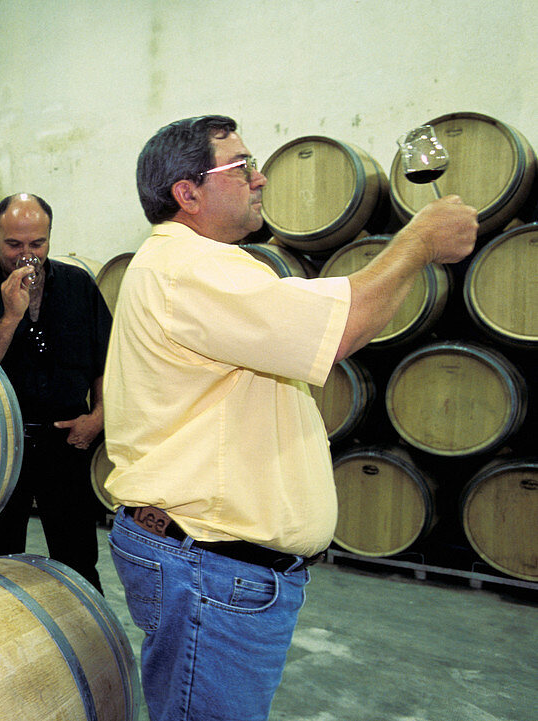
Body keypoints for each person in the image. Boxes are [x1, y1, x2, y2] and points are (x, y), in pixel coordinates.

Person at [103, 115, 477, 721]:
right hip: (210, 566)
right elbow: (342, 328)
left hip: (210, 563)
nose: (262, 178)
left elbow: (324, 320)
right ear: (187, 192)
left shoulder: (203, 266)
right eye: (243, 166)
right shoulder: (189, 267)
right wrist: (417, 243)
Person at [0, 193, 112, 592]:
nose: (26, 254)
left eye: (37, 244)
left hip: (69, 443)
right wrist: (11, 316)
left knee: (80, 562)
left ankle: (93, 646)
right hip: (3, 448)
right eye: (14, 244)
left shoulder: (78, 285)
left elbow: (106, 360)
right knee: (3, 564)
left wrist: (98, 416)